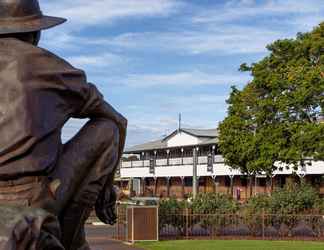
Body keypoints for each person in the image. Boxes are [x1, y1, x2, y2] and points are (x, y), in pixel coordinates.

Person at [0, 0, 127, 249]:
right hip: (32, 198)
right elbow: (118, 120)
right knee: (107, 128)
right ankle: (72, 239)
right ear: (35, 32)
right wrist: (106, 190)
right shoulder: (47, 65)